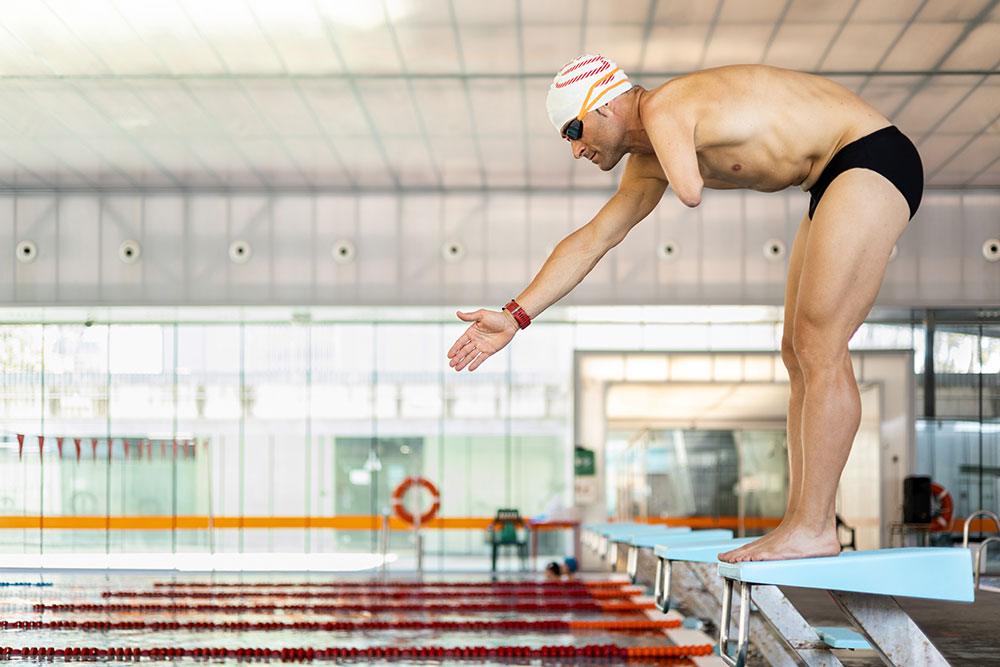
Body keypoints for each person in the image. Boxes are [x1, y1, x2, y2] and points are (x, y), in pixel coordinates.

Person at [446, 55, 923, 563]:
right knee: (795, 351)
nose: (574, 148)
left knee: (819, 344)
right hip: (827, 180)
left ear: (605, 105)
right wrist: (516, 315)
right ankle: (802, 522)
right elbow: (592, 240)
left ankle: (814, 526)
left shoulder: (666, 106)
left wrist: (664, 143)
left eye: (573, 129)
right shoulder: (648, 155)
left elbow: (690, 191)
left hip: (868, 157)